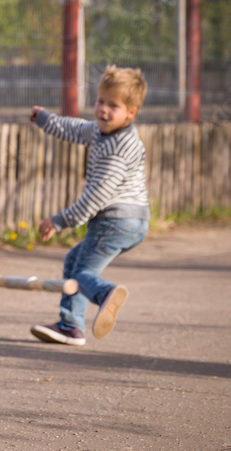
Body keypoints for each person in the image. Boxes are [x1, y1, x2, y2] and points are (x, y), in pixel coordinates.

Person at [28, 65, 150, 346]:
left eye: (113, 106)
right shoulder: (100, 131)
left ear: (131, 112)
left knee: (83, 274)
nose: (103, 110)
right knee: (74, 262)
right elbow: (75, 128)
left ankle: (103, 296)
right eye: (100, 102)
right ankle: (71, 326)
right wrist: (46, 120)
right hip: (132, 221)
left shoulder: (117, 149)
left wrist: (59, 220)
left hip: (115, 221)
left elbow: (97, 197)